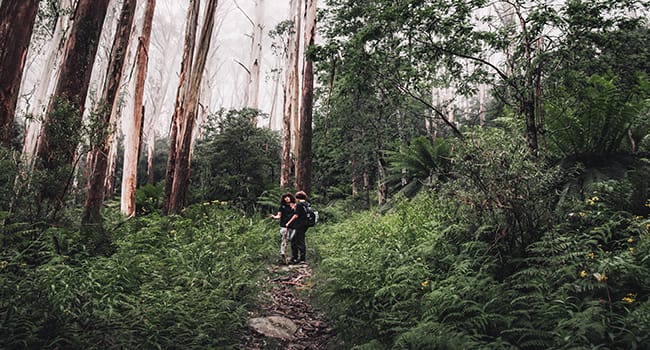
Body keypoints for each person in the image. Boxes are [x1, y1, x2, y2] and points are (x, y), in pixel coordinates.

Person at [285, 191, 310, 264]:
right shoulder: (307, 204)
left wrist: (288, 223)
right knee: (298, 240)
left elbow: (296, 215)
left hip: (299, 225)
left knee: (297, 241)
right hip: (305, 224)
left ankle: (300, 258)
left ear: (297, 198)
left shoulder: (299, 205)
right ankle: (297, 257)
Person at [270, 193, 296, 264]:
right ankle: (283, 253)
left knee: (292, 239)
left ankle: (293, 256)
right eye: (285, 198)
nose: (287, 199)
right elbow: (279, 215)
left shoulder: (295, 206)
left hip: (293, 226)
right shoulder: (282, 207)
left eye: (288, 197)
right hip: (284, 226)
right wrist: (274, 217)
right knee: (285, 239)